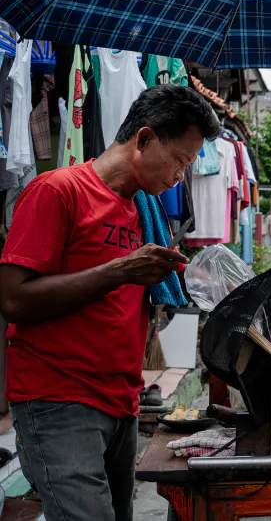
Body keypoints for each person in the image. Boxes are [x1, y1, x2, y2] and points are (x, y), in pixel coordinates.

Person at [0, 85, 220, 521]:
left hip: (121, 399)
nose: (180, 177)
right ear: (143, 139)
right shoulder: (59, 191)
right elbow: (13, 299)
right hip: (58, 397)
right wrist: (120, 270)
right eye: (179, 160)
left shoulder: (142, 210)